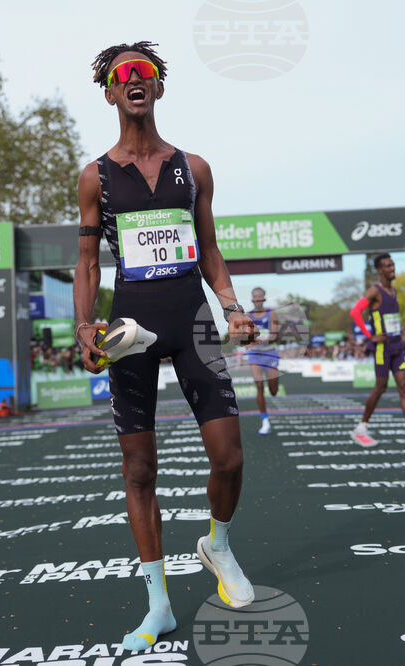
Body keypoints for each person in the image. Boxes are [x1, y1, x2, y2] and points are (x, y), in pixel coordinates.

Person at [72, 41, 257, 651]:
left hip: (192, 318)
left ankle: (217, 546)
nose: (134, 78)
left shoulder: (194, 167)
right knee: (140, 470)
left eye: (144, 71)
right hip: (132, 328)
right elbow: (86, 264)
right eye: (122, 74)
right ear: (108, 93)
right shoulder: (94, 176)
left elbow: (209, 249)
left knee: (229, 456)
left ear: (158, 87)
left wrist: (231, 307)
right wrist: (83, 329)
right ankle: (158, 603)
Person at [349, 253, 405, 449]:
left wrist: (401, 333)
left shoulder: (393, 291)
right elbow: (355, 312)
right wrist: (370, 336)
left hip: (397, 346)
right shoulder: (374, 291)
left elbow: (391, 317)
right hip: (382, 348)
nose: (392, 269)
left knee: (403, 388)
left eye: (393, 265)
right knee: (380, 387)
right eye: (387, 266)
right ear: (379, 270)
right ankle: (361, 429)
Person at [246, 287, 280, 435]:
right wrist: (248, 342)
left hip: (270, 354)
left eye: (260, 297)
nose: (258, 300)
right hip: (255, 356)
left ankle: (273, 390)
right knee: (259, 386)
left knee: (273, 391)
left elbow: (275, 335)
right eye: (256, 297)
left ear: (264, 299)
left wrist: (262, 339)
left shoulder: (271, 313)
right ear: (253, 299)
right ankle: (265, 421)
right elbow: (245, 337)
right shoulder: (247, 315)